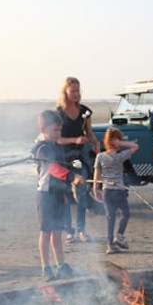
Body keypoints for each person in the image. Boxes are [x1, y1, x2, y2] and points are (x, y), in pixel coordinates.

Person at [33, 109, 84, 281]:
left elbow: (64, 167)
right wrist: (71, 177)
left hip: (58, 195)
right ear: (43, 129)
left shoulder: (57, 147)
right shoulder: (42, 148)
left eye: (59, 130)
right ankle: (46, 268)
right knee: (46, 232)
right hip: (45, 195)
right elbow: (54, 169)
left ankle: (61, 265)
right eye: (55, 130)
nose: (58, 133)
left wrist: (67, 193)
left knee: (57, 232)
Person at [56, 77, 100, 242]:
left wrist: (95, 142)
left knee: (81, 193)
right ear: (65, 92)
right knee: (66, 195)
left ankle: (81, 229)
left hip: (80, 156)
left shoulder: (85, 112)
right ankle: (69, 230)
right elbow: (57, 139)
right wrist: (74, 140)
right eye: (72, 90)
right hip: (63, 157)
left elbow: (89, 133)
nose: (76, 94)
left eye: (78, 90)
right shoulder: (58, 113)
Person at [93, 128, 139, 254]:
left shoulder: (100, 156)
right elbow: (135, 146)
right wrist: (121, 143)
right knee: (126, 214)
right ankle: (119, 236)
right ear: (116, 141)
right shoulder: (120, 156)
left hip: (107, 190)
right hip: (119, 190)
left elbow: (97, 174)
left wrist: (95, 188)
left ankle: (110, 245)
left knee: (110, 217)